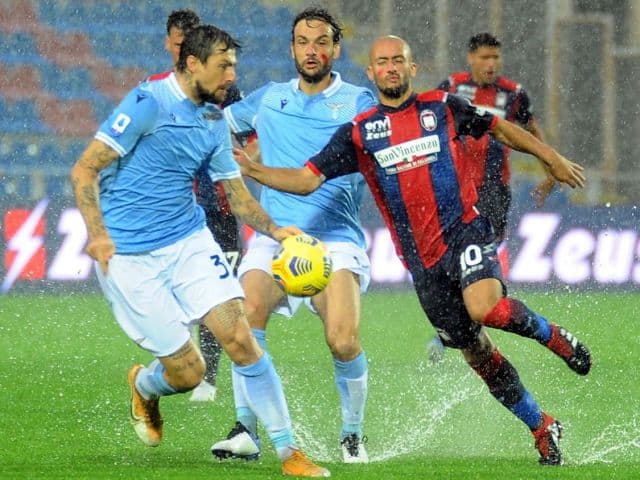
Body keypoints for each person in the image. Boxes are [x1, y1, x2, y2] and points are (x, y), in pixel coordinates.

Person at [233, 35, 592, 466]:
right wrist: (253, 169)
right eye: (382, 62)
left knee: (486, 308)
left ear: (411, 67)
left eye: (398, 61)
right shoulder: (360, 133)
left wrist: (548, 155)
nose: (390, 68)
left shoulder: (442, 107)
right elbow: (308, 180)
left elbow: (498, 127)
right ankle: (541, 425)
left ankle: (554, 337)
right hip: (422, 264)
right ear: (371, 72)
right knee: (477, 352)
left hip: (464, 231)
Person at [70, 25, 329, 478]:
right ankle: (145, 385)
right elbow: (84, 169)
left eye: (233, 65)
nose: (232, 75)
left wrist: (277, 232)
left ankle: (290, 453)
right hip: (129, 256)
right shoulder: (148, 103)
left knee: (240, 338)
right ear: (192, 64)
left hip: (189, 240)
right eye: (223, 65)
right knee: (189, 372)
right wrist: (97, 234)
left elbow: (239, 198)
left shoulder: (213, 121)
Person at [210, 7, 377, 464]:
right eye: (303, 41)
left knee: (343, 339)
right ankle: (246, 429)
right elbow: (216, 124)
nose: (311, 50)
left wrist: (252, 165)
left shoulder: (359, 103)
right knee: (245, 317)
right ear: (291, 48)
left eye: (321, 41)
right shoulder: (269, 98)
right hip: (275, 234)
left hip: (335, 237)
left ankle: (352, 434)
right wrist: (231, 152)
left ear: (335, 49)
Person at [427, 32, 556, 362]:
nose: (491, 64)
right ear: (471, 59)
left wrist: (550, 168)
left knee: (486, 253)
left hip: (494, 191)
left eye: (495, 58)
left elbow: (531, 130)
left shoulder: (513, 95)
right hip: (455, 187)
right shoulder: (452, 87)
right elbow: (429, 125)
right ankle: (457, 321)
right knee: (452, 255)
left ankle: (486, 305)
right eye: (484, 57)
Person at [147, 8, 249, 402]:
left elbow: (245, 140)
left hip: (219, 210)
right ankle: (180, 358)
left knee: (217, 293)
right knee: (171, 293)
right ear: (170, 45)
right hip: (171, 211)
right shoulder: (156, 92)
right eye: (177, 42)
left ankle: (208, 374)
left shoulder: (226, 90)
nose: (182, 47)